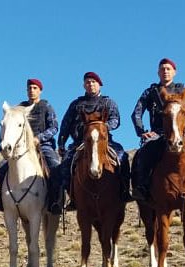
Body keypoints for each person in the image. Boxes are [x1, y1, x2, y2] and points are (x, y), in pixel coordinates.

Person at [131, 58, 185, 202]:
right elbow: (136, 113)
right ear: (158, 72)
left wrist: (182, 126)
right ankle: (143, 186)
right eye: (162, 69)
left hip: (182, 132)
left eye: (168, 69)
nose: (165, 71)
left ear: (174, 72)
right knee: (145, 150)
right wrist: (141, 131)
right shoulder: (150, 92)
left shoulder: (182, 90)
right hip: (158, 132)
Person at [55, 72, 130, 213]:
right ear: (84, 85)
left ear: (99, 84)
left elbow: (115, 120)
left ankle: (124, 190)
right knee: (65, 165)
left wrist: (102, 127)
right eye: (88, 82)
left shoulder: (108, 102)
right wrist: (61, 143)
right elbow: (65, 124)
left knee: (122, 157)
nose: (90, 85)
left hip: (103, 141)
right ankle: (73, 197)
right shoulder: (76, 104)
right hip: (79, 142)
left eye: (93, 82)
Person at [0, 79, 60, 212]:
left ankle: (54, 200)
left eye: (34, 88)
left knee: (54, 165)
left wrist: (39, 138)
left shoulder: (46, 107)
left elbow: (54, 127)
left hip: (42, 145)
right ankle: (1, 198)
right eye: (29, 88)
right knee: (2, 165)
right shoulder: (20, 108)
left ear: (40, 91)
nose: (31, 91)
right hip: (22, 147)